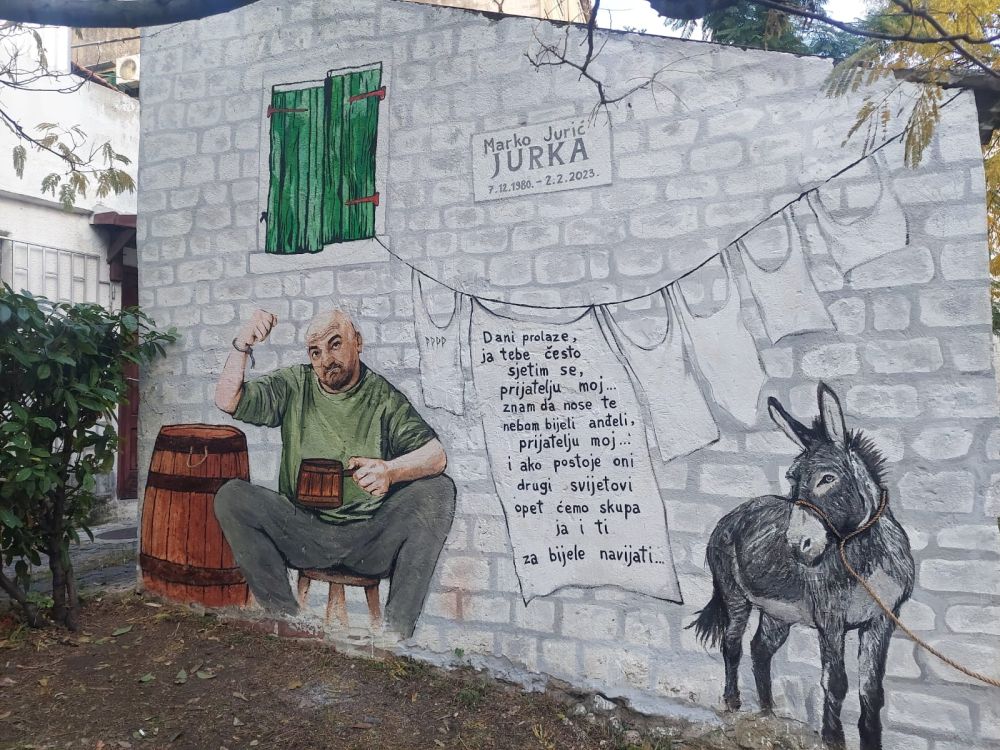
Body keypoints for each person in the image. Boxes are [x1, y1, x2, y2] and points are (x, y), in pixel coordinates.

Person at [213, 307, 456, 638]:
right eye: (315, 352)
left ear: (358, 342)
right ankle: (287, 621)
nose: (326, 359)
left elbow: (436, 455)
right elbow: (227, 400)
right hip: (303, 533)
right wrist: (243, 343)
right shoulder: (294, 385)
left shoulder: (383, 397)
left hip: (368, 539)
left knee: (439, 490)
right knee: (232, 497)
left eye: (335, 344)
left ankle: (395, 635)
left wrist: (390, 471)